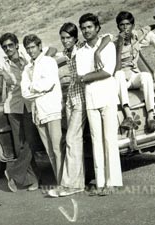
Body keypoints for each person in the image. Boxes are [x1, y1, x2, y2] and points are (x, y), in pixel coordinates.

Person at [47, 23, 113, 197]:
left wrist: (99, 51)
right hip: (71, 99)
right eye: (63, 37)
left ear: (76, 38)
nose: (65, 41)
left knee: (71, 138)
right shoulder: (66, 54)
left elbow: (108, 36)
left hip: (84, 99)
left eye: (69, 37)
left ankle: (71, 185)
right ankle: (77, 183)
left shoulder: (82, 49)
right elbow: (51, 51)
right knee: (75, 141)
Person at [0, 33, 40, 192]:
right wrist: (0, 73)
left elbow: (53, 50)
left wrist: (40, 59)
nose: (8, 49)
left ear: (16, 45)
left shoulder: (27, 57)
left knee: (31, 142)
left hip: (31, 105)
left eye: (10, 45)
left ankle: (12, 172)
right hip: (14, 108)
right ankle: (32, 180)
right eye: (4, 47)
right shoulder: (3, 64)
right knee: (21, 145)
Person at [75, 13, 123, 196]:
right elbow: (81, 76)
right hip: (91, 100)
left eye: (89, 27)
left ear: (97, 28)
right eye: (83, 28)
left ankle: (113, 182)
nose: (86, 31)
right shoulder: (80, 52)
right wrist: (90, 75)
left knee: (110, 140)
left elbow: (108, 71)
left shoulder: (107, 46)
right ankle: (101, 182)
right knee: (96, 141)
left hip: (108, 97)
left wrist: (89, 76)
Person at [21, 34, 64, 185]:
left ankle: (66, 182)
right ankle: (60, 182)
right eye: (28, 49)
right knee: (50, 151)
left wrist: (33, 86)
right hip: (38, 112)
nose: (31, 51)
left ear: (40, 46)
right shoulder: (27, 68)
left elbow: (50, 83)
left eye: (33, 47)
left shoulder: (48, 61)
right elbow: (24, 93)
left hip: (52, 109)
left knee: (58, 149)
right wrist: (39, 89)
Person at [113, 11, 155, 133]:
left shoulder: (137, 35)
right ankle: (128, 116)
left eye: (128, 24)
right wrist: (119, 45)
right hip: (122, 77)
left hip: (134, 74)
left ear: (132, 25)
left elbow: (149, 27)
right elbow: (117, 68)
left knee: (146, 76)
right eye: (122, 25)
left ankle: (151, 117)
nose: (125, 28)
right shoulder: (114, 42)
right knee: (118, 75)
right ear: (118, 27)